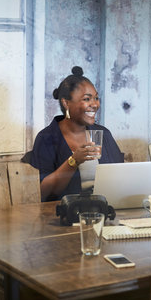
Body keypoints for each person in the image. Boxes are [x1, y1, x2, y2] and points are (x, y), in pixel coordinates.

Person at [27, 66, 124, 201]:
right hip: (62, 214)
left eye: (96, 98)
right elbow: (42, 192)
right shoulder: (47, 138)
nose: (95, 104)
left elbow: (121, 177)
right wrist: (73, 161)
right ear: (66, 103)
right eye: (86, 99)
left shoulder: (104, 134)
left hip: (102, 211)